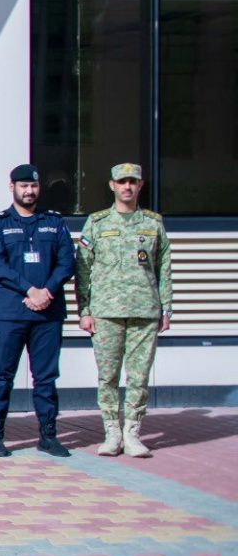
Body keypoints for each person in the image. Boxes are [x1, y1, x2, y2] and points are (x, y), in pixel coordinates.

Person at [75, 162, 172, 458]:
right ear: (112, 185)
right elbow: (83, 268)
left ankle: (132, 431)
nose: (127, 186)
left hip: (145, 310)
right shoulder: (97, 222)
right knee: (108, 376)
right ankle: (111, 431)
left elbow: (163, 266)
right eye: (122, 182)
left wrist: (166, 308)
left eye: (133, 181)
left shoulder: (153, 223)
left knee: (139, 376)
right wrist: (84, 309)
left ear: (140, 185)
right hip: (105, 311)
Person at [0, 164, 75, 458]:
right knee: (1, 376)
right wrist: (30, 290)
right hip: (9, 313)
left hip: (47, 312)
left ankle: (48, 435)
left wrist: (46, 290)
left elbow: (66, 262)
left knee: (45, 377)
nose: (29, 191)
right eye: (23, 186)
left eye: (33, 186)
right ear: (12, 187)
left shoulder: (54, 223)